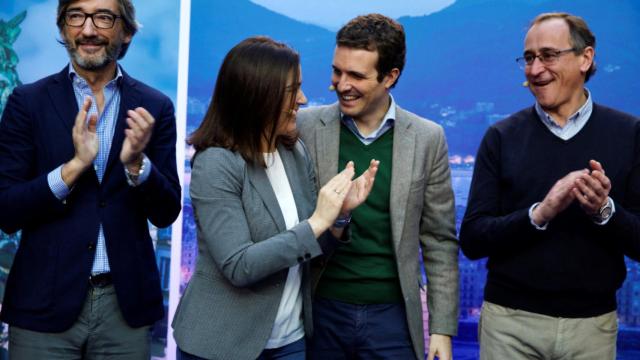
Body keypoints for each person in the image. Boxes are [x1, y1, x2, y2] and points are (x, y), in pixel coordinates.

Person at [171, 36, 379, 360]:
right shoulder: (215, 162)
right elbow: (239, 266)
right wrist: (318, 221)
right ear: (258, 95)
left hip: (290, 342)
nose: (303, 98)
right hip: (221, 345)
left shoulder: (294, 151)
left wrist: (338, 216)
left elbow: (310, 249)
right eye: (291, 90)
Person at [0, 0, 181, 358]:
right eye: (76, 16)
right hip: (42, 306)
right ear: (64, 27)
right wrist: (74, 167)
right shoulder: (27, 102)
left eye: (103, 17)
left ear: (126, 30)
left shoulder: (155, 107)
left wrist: (137, 166)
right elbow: (6, 209)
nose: (87, 30)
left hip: (123, 310)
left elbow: (167, 211)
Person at [460, 12, 640, 360]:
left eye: (548, 55)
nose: (535, 69)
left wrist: (605, 211)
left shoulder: (629, 134)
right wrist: (540, 213)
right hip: (510, 325)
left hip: (592, 327)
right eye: (529, 58)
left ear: (585, 58)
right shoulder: (501, 137)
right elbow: (472, 238)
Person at [297, 13, 459, 360]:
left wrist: (442, 330)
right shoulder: (306, 127)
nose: (342, 84)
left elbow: (439, 240)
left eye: (356, 75)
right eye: (337, 71)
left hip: (393, 317)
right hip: (319, 309)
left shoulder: (428, 138)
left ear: (390, 77)